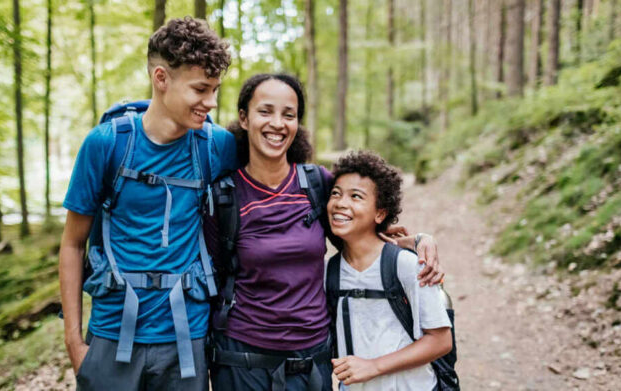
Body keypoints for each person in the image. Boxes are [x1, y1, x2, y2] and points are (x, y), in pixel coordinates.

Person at [204, 73, 445, 391]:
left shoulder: (316, 184)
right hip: (242, 362)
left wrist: (417, 241)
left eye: (288, 114)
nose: (277, 123)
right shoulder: (224, 195)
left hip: (311, 362)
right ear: (244, 118)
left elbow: (358, 231)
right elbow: (213, 275)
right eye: (266, 111)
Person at [59, 17, 236, 390]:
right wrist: (75, 343)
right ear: (161, 78)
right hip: (111, 333)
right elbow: (73, 244)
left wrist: (371, 223)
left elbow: (277, 180)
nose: (212, 102)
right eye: (201, 89)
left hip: (186, 338)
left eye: (216, 89)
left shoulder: (215, 146)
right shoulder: (106, 144)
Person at [327, 151, 453, 390]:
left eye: (356, 196)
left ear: (380, 213)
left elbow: (441, 340)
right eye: (336, 193)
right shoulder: (329, 272)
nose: (341, 203)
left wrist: (373, 366)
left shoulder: (406, 264)